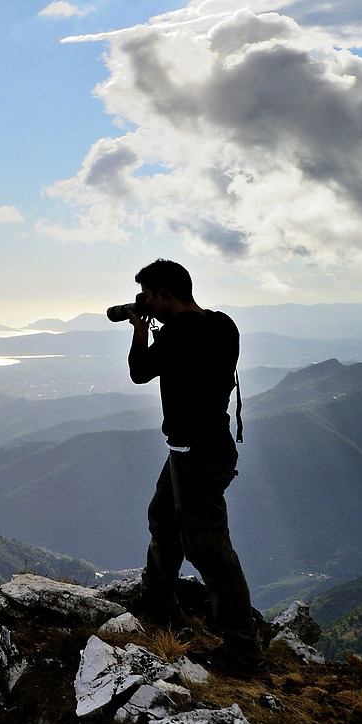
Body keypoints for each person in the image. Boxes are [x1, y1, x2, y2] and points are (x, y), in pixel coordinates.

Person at [123, 258, 264, 675]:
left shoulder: (179, 333)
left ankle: (243, 651)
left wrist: (139, 328)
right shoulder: (223, 325)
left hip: (196, 455)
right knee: (164, 518)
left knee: (210, 551)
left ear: (163, 293)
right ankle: (158, 602)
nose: (146, 303)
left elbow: (139, 371)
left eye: (148, 296)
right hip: (206, 448)